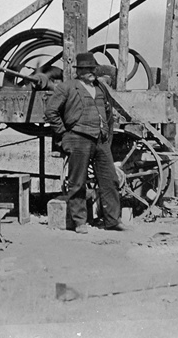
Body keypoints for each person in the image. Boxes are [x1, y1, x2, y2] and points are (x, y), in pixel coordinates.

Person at [44, 52, 124, 233]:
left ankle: (112, 220)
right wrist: (64, 133)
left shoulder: (100, 88)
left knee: (110, 179)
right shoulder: (67, 87)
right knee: (77, 182)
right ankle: (79, 222)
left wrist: (107, 136)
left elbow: (108, 112)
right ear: (78, 71)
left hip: (100, 140)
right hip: (77, 138)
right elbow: (51, 111)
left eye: (92, 68)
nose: (91, 72)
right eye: (86, 69)